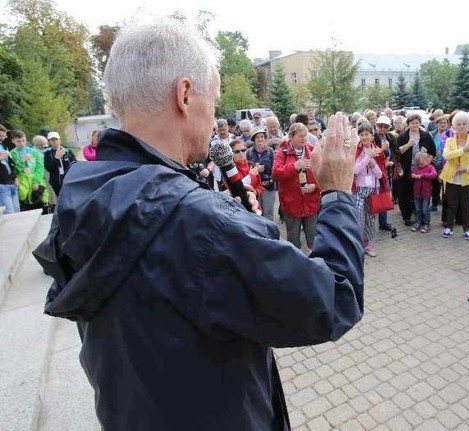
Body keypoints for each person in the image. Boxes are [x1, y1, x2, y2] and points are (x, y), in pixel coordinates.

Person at [32, 21, 364, 431]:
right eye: (215, 98)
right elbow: (334, 299)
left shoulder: (84, 192)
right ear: (185, 94)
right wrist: (336, 194)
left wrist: (223, 216)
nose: (215, 115)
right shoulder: (201, 225)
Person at [272, 122, 321, 249]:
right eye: (300, 136)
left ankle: (315, 264)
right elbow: (276, 173)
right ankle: (296, 265)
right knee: (293, 240)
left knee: (314, 238)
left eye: (305, 135)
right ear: (291, 137)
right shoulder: (282, 152)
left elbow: (321, 174)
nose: (304, 138)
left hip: (311, 203)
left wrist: (315, 186)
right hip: (292, 204)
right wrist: (294, 166)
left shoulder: (313, 151)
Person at [440, 111, 469, 239]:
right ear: (454, 126)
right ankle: (449, 227)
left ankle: (467, 228)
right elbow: (447, 155)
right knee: (451, 204)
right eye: (458, 124)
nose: (461, 126)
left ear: (468, 125)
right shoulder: (449, 141)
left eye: (464, 123)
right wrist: (463, 150)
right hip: (451, 178)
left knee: (466, 205)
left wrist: (467, 169)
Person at [396, 113, 436, 226]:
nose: (415, 125)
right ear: (408, 124)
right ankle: (406, 216)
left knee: (421, 192)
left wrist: (427, 163)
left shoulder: (425, 135)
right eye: (412, 123)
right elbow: (397, 152)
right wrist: (408, 145)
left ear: (420, 123)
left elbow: (433, 151)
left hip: (422, 169)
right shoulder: (403, 136)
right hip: (406, 169)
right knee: (405, 192)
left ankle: (421, 215)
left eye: (417, 123)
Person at [353, 122, 383, 257]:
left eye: (367, 134)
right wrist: (368, 157)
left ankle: (366, 244)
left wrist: (372, 163)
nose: (364, 137)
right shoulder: (356, 151)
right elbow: (355, 170)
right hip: (359, 189)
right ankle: (357, 244)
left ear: (372, 136)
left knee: (370, 218)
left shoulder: (378, 151)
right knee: (358, 218)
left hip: (372, 189)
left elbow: (380, 175)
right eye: (362, 134)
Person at [9, 130, 49, 211]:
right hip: (23, 183)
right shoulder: (12, 153)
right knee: (26, 205)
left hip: (36, 181)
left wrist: (36, 181)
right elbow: (13, 169)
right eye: (18, 141)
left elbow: (40, 167)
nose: (21, 143)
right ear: (13, 141)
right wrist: (22, 161)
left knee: (41, 203)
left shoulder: (34, 152)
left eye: (23, 140)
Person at [246, 126, 276, 221]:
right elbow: (245, 169)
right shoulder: (248, 153)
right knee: (256, 212)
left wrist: (270, 180)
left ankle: (270, 234)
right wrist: (254, 171)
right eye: (257, 137)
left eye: (262, 136)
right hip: (254, 188)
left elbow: (275, 169)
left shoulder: (271, 152)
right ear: (253, 139)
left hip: (269, 186)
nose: (260, 139)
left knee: (268, 213)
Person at [411, 151, 437, 233]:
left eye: (422, 163)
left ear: (426, 160)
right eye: (418, 164)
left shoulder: (430, 167)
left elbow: (434, 174)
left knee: (425, 209)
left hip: (426, 193)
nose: (420, 165)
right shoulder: (416, 168)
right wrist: (413, 176)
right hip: (417, 193)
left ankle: (427, 224)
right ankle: (418, 222)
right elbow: (412, 175)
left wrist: (422, 175)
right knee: (418, 209)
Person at [43, 131, 76, 196]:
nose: (55, 141)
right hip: (56, 181)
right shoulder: (48, 153)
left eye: (56, 139)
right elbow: (48, 168)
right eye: (52, 140)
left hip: (69, 179)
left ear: (59, 140)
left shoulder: (68, 151)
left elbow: (74, 164)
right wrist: (56, 159)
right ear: (49, 142)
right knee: (61, 198)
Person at [0, 138, 20, 214]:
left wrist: (15, 177)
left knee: (17, 210)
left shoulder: (3, 146)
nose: (1, 139)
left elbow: (11, 164)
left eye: (3, 136)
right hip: (2, 186)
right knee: (9, 213)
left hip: (12, 183)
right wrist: (1, 158)